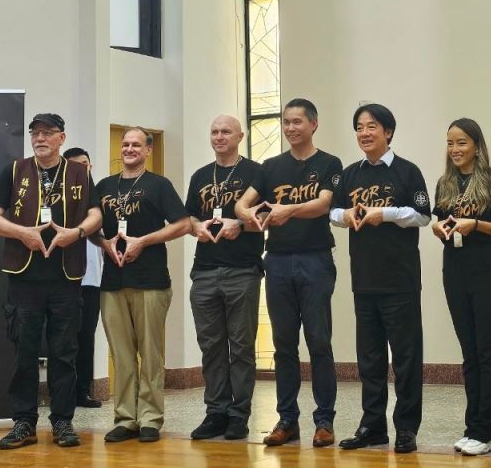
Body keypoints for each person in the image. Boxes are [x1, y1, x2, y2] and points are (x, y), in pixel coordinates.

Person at [0, 113, 101, 450]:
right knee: (25, 352)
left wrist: (75, 233)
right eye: (35, 133)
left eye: (48, 133)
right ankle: (24, 422)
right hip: (24, 277)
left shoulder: (79, 172)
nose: (40, 138)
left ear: (62, 138)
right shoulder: (15, 171)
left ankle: (63, 421)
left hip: (65, 276)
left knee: (64, 352)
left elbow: (95, 215)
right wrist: (22, 233)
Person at [235, 98, 342, 449]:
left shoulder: (329, 163)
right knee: (283, 344)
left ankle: (324, 421)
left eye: (297, 121)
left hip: (315, 260)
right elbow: (242, 203)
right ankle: (287, 420)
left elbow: (324, 204)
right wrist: (250, 216)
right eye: (286, 122)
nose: (290, 128)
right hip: (278, 261)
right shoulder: (270, 167)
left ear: (313, 124)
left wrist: (288, 210)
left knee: (319, 341)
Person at [330, 104, 431, 454]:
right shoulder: (349, 175)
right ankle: (372, 426)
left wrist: (384, 214)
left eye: (371, 126)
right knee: (370, 361)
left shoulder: (407, 171)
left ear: (388, 131)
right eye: (359, 127)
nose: (364, 133)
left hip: (401, 282)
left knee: (406, 359)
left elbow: (423, 215)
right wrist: (345, 215)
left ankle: (406, 427)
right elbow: (333, 212)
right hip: (364, 281)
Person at [92, 127, 191, 444]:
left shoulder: (159, 185)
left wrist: (143, 242)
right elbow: (90, 228)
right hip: (113, 281)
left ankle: (149, 418)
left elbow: (183, 224)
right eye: (125, 144)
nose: (129, 149)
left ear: (148, 150)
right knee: (121, 355)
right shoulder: (104, 186)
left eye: (136, 144)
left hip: (151, 281)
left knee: (150, 354)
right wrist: (105, 243)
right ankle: (125, 418)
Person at [430, 118, 491, 456]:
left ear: (477, 146)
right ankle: (472, 426)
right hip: (455, 271)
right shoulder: (445, 183)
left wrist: (476, 224)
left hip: (488, 271)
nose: (455, 149)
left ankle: (486, 429)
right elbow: (441, 220)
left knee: (486, 350)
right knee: (469, 352)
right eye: (450, 143)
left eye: (462, 142)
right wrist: (439, 228)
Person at [185, 115, 264, 441]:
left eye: (226, 132)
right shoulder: (200, 175)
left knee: (241, 346)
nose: (219, 137)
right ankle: (216, 412)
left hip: (242, 270)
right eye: (214, 131)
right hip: (204, 271)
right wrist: (197, 227)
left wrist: (240, 225)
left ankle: (238, 415)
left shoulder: (256, 172)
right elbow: (189, 216)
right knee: (211, 346)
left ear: (240, 136)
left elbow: (268, 214)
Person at [62, 146, 104, 409]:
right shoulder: (60, 196)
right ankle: (62, 391)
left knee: (87, 338)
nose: (82, 169)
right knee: (64, 338)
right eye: (76, 165)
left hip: (93, 280)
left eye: (85, 164)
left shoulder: (99, 196)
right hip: (65, 279)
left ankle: (82, 391)